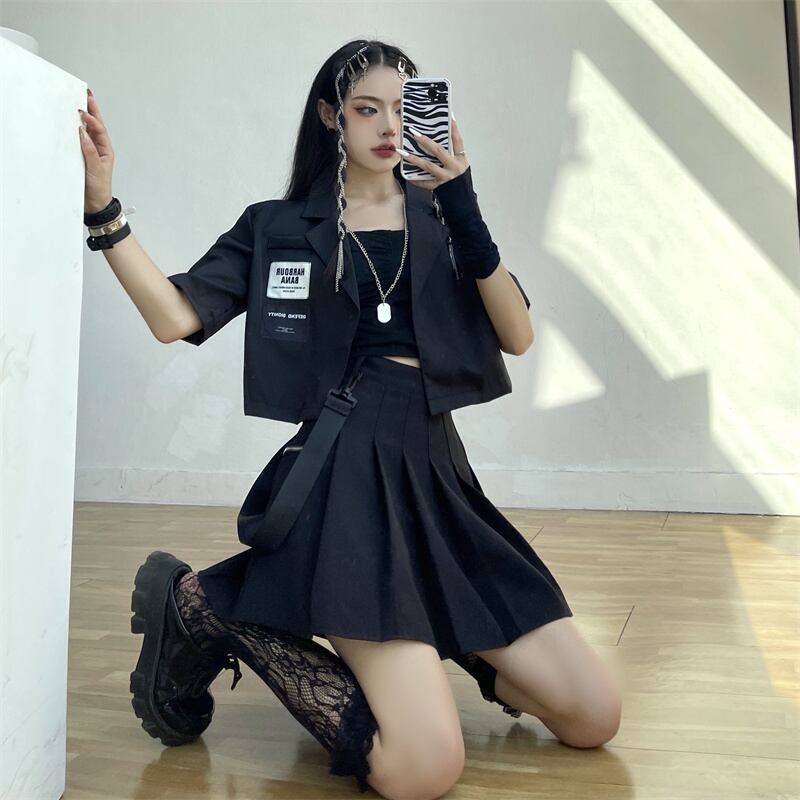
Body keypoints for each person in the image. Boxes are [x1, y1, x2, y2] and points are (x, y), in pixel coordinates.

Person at [80, 39, 622, 800]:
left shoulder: (443, 216)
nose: (389, 126)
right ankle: (215, 611)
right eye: (368, 109)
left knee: (594, 715)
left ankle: (434, 633)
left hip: (437, 478)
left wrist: (463, 205)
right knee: (423, 770)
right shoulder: (278, 225)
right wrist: (103, 210)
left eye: (403, 109)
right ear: (332, 116)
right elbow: (175, 316)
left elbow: (517, 334)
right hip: (346, 481)